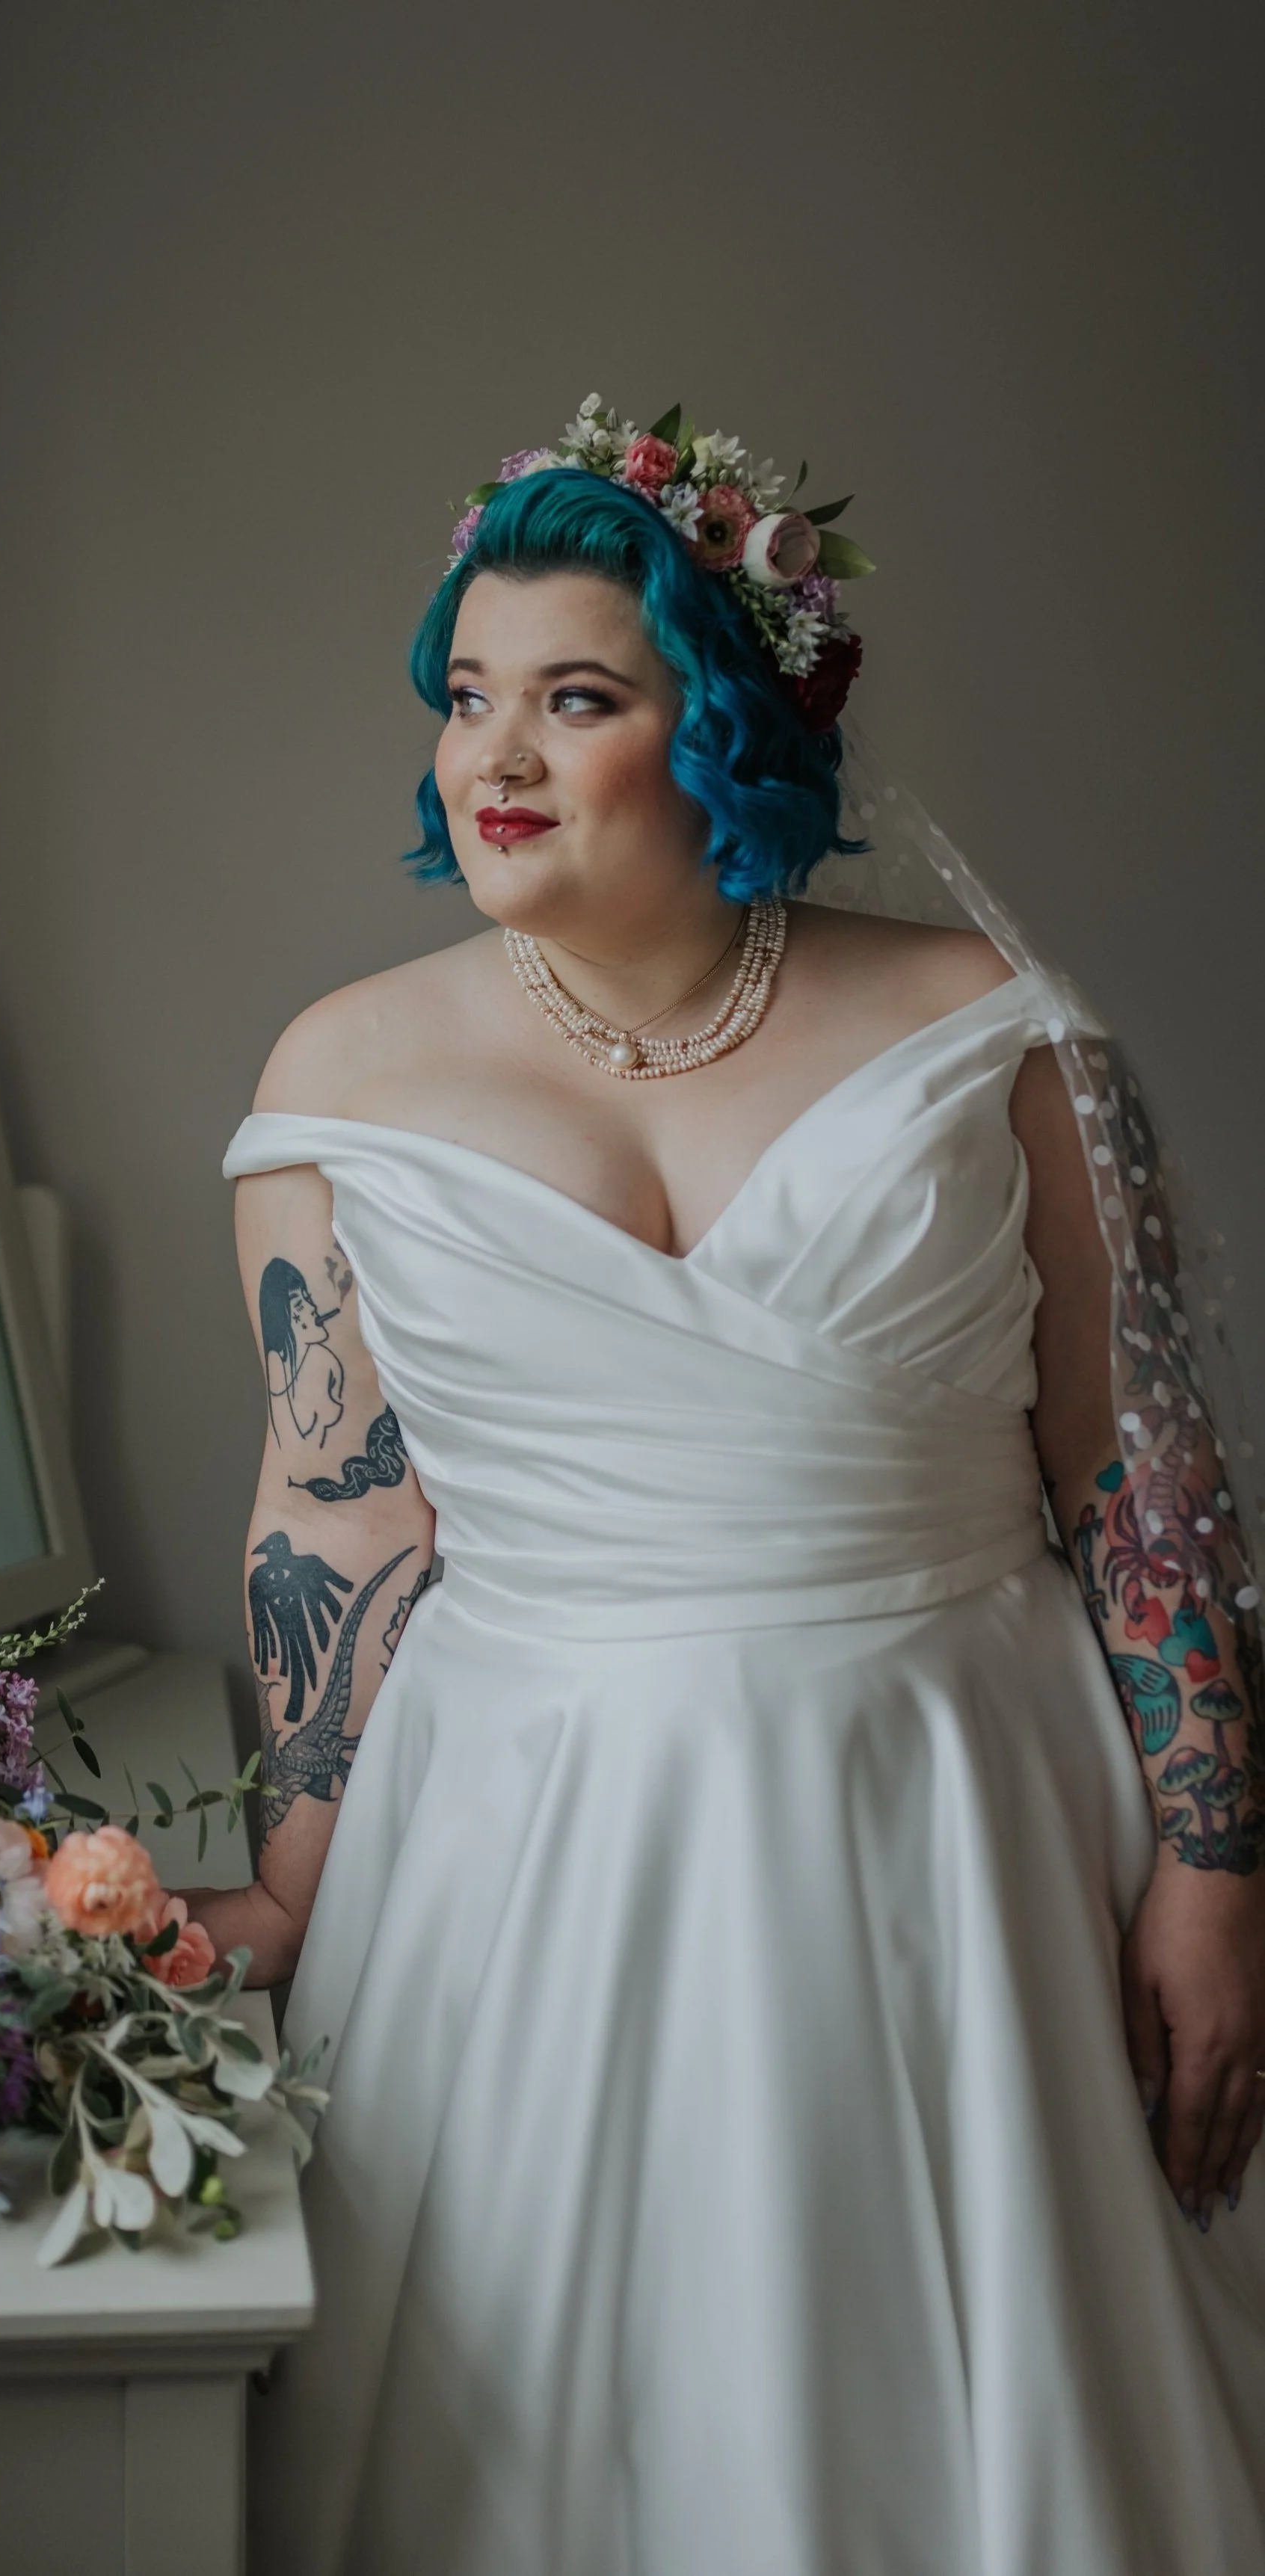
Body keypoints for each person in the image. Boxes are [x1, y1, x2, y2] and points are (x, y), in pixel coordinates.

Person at [182, 403, 1265, 2574]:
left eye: (577, 697)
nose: (494, 754)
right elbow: (340, 1519)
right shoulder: (342, 1078)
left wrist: (1221, 1864)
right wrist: (293, 1894)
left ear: (725, 724)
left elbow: (1137, 1481)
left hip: (957, 1812)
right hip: (530, 1845)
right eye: (467, 694)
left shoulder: (997, 1032)